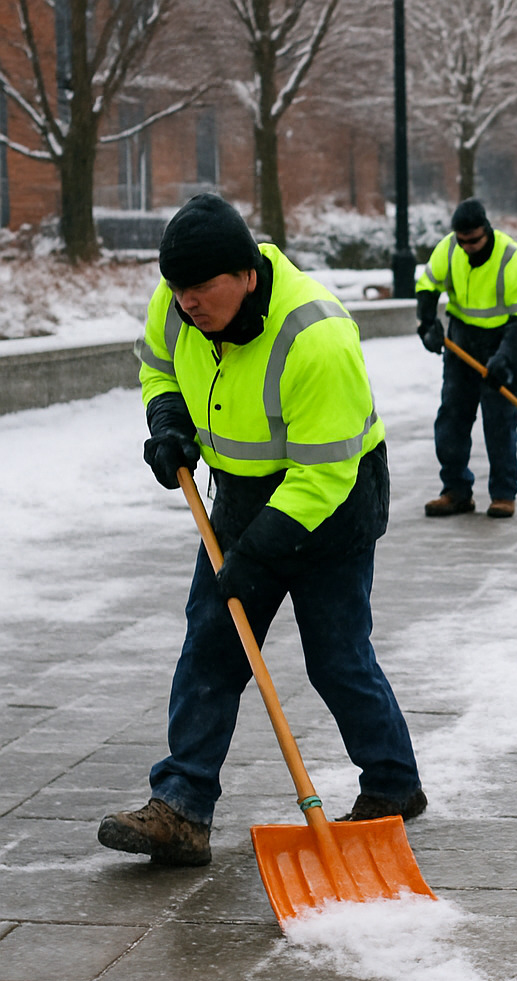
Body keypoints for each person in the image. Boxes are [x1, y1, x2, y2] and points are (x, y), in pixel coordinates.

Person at [101, 193, 425, 866]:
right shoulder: (178, 303)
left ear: (247, 275)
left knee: (336, 656)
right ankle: (181, 808)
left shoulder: (316, 336)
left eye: (201, 288)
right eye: (178, 288)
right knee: (212, 645)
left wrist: (256, 557)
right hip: (242, 491)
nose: (187, 303)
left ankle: (392, 783)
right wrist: (168, 423)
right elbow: (156, 364)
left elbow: (323, 477)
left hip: (332, 499)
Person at [416, 197, 517, 518]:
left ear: (486, 230)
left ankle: (503, 494)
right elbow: (428, 285)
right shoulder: (449, 249)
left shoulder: (514, 259)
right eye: (463, 242)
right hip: (461, 342)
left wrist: (505, 358)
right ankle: (455, 490)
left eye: (474, 240)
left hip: (504, 341)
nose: (468, 247)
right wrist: (428, 323)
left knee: (500, 421)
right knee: (452, 418)